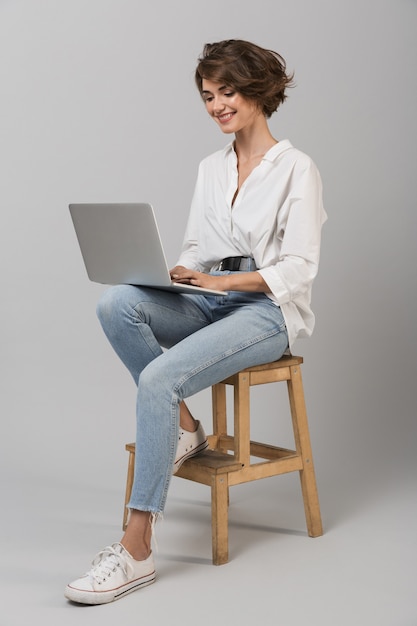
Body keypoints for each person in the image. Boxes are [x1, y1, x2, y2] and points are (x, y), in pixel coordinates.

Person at [65, 39, 326, 605]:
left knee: (159, 379)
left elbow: (299, 269)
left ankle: (136, 550)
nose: (216, 106)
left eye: (226, 92)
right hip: (209, 297)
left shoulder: (296, 169)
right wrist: (182, 271)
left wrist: (226, 283)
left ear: (258, 90)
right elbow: (197, 247)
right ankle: (184, 426)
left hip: (265, 310)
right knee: (116, 302)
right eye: (208, 96)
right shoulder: (211, 167)